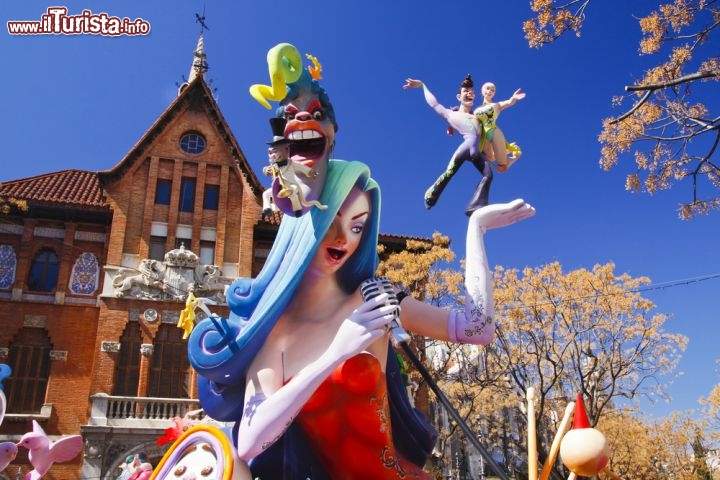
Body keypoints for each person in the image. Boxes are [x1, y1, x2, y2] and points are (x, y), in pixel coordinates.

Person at [187, 44, 536, 479]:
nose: (343, 239)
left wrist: (476, 232)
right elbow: (251, 439)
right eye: (332, 221)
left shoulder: (376, 299)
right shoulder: (277, 333)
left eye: (357, 226)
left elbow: (476, 329)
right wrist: (337, 352)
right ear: (303, 228)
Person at [404, 75, 494, 215]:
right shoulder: (450, 114)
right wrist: (422, 86)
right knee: (449, 172)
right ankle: (430, 196)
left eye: (472, 92)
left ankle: (476, 205)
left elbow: (490, 127)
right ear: (458, 96)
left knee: (488, 175)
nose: (470, 94)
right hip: (466, 146)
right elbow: (434, 104)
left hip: (477, 150)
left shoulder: (477, 116)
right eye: (466, 91)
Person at [261, 117, 327, 218]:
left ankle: (297, 210)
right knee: (265, 194)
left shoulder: (291, 164)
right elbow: (265, 169)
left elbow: (302, 168)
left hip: (292, 185)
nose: (273, 155)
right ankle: (267, 209)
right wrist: (266, 170)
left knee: (292, 192)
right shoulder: (274, 166)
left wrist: (310, 172)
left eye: (276, 151)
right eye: (271, 152)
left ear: (286, 150)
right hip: (279, 189)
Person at [473, 82, 525, 173]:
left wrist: (513, 98)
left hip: (493, 130)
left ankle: (512, 158)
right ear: (481, 91)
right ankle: (507, 151)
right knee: (486, 158)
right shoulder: (476, 110)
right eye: (488, 88)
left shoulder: (496, 105)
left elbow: (509, 102)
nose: (490, 91)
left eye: (492, 90)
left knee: (502, 166)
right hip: (483, 136)